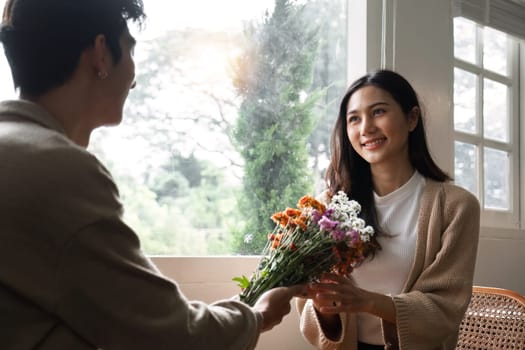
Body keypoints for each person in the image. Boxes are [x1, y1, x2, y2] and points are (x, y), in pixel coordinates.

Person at [0, 0, 304, 349]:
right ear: (101, 54)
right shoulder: (58, 172)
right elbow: (168, 333)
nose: (133, 77)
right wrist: (258, 315)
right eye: (129, 49)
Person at [296, 70, 480, 350]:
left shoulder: (455, 207)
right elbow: (309, 313)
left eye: (378, 111)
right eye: (354, 118)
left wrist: (368, 301)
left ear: (412, 118)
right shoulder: (326, 207)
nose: (366, 128)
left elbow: (446, 310)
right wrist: (324, 309)